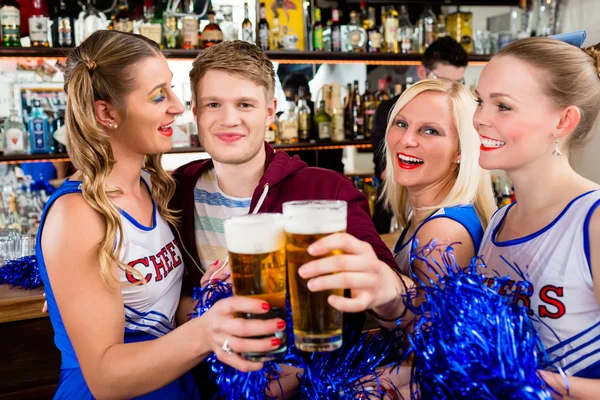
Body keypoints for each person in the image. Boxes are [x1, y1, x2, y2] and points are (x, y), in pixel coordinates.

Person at [38, 31, 284, 399]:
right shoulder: (77, 214)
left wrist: (213, 296)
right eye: (158, 96)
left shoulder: (157, 188)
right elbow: (105, 378)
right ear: (107, 112)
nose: (178, 107)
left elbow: (160, 309)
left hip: (173, 383)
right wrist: (206, 330)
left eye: (171, 89)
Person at [169, 40, 414, 396]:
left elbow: (391, 296)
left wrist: (382, 284)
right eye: (213, 104)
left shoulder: (326, 189)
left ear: (270, 111)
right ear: (195, 110)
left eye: (245, 104)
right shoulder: (173, 191)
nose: (229, 119)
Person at [475, 37, 600, 396]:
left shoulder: (592, 221)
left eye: (503, 106)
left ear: (563, 121)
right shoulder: (498, 222)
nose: (480, 118)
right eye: (481, 101)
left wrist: (526, 384)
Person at [381, 79, 496, 280]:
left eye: (430, 131)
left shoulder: (441, 235)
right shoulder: (428, 216)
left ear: (461, 150)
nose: (406, 140)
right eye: (401, 124)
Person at [372, 36, 469, 234]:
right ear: (421, 71)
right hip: (394, 213)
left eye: (458, 83)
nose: (449, 90)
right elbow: (385, 169)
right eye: (401, 124)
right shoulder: (390, 108)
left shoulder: (448, 228)